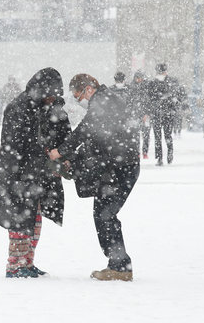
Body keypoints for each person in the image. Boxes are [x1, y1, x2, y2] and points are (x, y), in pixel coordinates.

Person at [49, 74, 139, 282]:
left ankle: (120, 267)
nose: (79, 99)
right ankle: (119, 264)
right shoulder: (108, 100)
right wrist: (74, 158)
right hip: (120, 165)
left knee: (105, 214)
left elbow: (86, 131)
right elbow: (97, 139)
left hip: (120, 168)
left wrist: (61, 151)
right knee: (104, 214)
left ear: (88, 89)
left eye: (78, 95)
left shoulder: (102, 102)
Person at [0, 68, 70, 278]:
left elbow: (61, 134)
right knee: (20, 218)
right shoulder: (19, 108)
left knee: (34, 217)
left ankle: (28, 261)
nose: (53, 97)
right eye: (51, 93)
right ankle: (15, 265)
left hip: (39, 173)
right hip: (20, 173)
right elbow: (14, 145)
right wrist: (39, 154)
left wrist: (60, 155)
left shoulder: (49, 107)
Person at [146, 63, 185, 165]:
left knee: (165, 135)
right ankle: (161, 157)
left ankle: (167, 155)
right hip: (159, 113)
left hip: (165, 113)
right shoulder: (155, 84)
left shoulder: (170, 83)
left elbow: (177, 97)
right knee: (160, 136)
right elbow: (149, 99)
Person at [127, 70, 150, 160]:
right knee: (135, 135)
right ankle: (137, 152)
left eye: (140, 78)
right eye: (137, 78)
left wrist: (147, 113)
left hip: (144, 114)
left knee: (146, 134)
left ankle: (145, 151)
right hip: (135, 114)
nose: (138, 80)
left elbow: (149, 101)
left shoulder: (147, 87)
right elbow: (129, 102)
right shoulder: (131, 88)